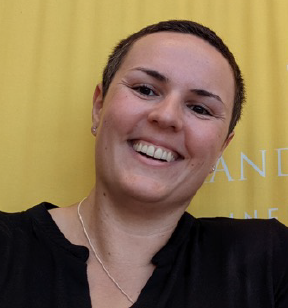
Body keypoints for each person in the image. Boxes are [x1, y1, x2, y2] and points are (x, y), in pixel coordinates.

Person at [0, 20, 287, 308]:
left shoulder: (268, 262)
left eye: (200, 108)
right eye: (146, 90)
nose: (167, 117)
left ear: (222, 147)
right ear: (99, 108)